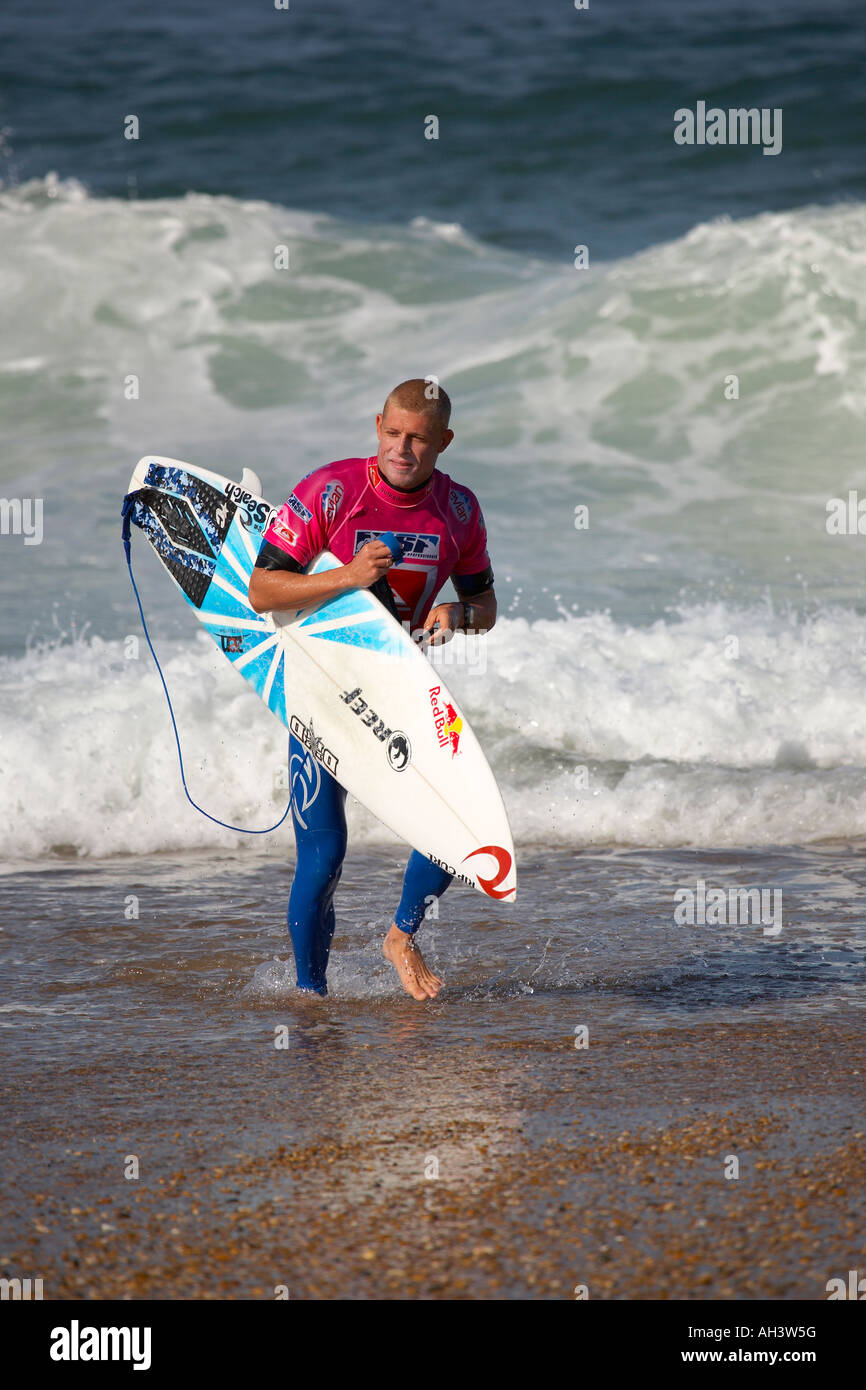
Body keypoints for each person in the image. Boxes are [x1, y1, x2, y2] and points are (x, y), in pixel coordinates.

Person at [247, 379, 497, 1000]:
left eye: (418, 438)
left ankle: (400, 936)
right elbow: (262, 590)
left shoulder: (459, 511)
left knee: (457, 825)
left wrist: (457, 616)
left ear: (444, 440)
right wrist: (348, 577)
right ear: (377, 425)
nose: (403, 449)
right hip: (325, 685)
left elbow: (484, 604)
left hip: (400, 685)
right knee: (325, 856)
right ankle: (311, 998)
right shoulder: (331, 490)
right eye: (393, 433)